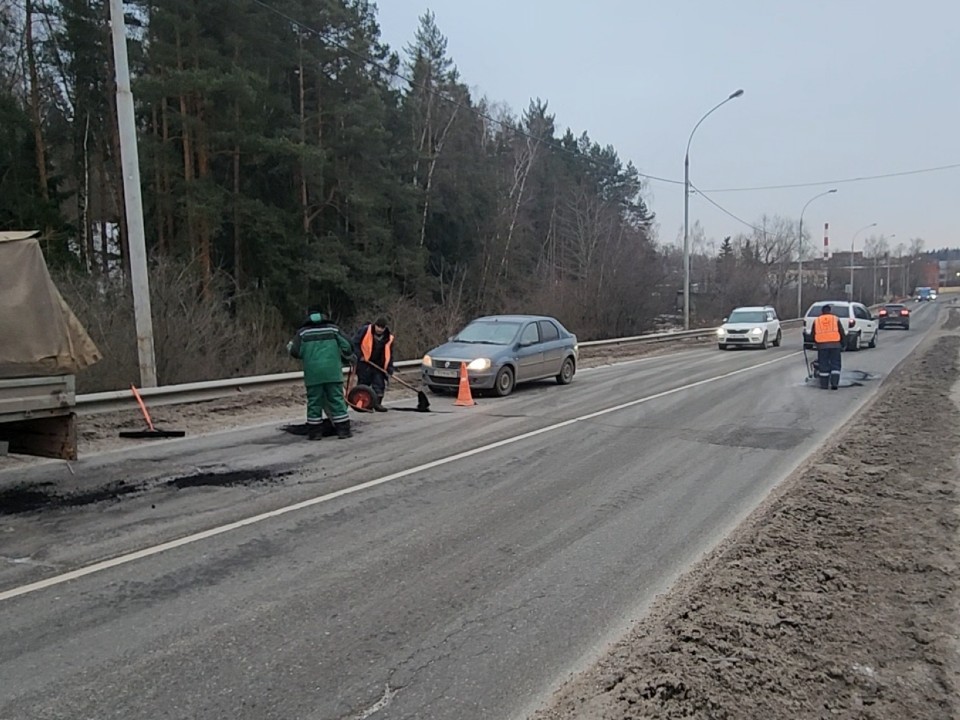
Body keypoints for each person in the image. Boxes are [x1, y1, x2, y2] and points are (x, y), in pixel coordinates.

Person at [287, 307, 356, 440]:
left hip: (313, 374)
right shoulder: (334, 329)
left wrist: (302, 352)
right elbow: (348, 345)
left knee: (314, 403)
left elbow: (295, 351)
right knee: (337, 400)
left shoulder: (302, 333)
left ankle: (315, 434)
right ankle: (343, 431)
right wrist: (346, 357)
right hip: (333, 372)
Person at [353, 317, 395, 412]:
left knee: (379, 384)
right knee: (364, 383)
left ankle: (377, 404)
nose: (379, 329)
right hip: (365, 363)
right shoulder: (365, 331)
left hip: (379, 365)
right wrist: (360, 355)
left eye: (382, 328)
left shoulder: (389, 338)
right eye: (378, 327)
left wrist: (389, 368)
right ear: (375, 325)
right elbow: (355, 344)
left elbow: (390, 354)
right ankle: (362, 403)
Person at [811, 304, 847, 390]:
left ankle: (824, 385)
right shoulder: (835, 319)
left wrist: (815, 343)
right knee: (835, 364)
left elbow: (813, 334)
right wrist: (844, 344)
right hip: (835, 345)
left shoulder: (817, 320)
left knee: (823, 365)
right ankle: (834, 384)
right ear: (830, 311)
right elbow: (841, 332)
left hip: (822, 346)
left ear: (822, 312)